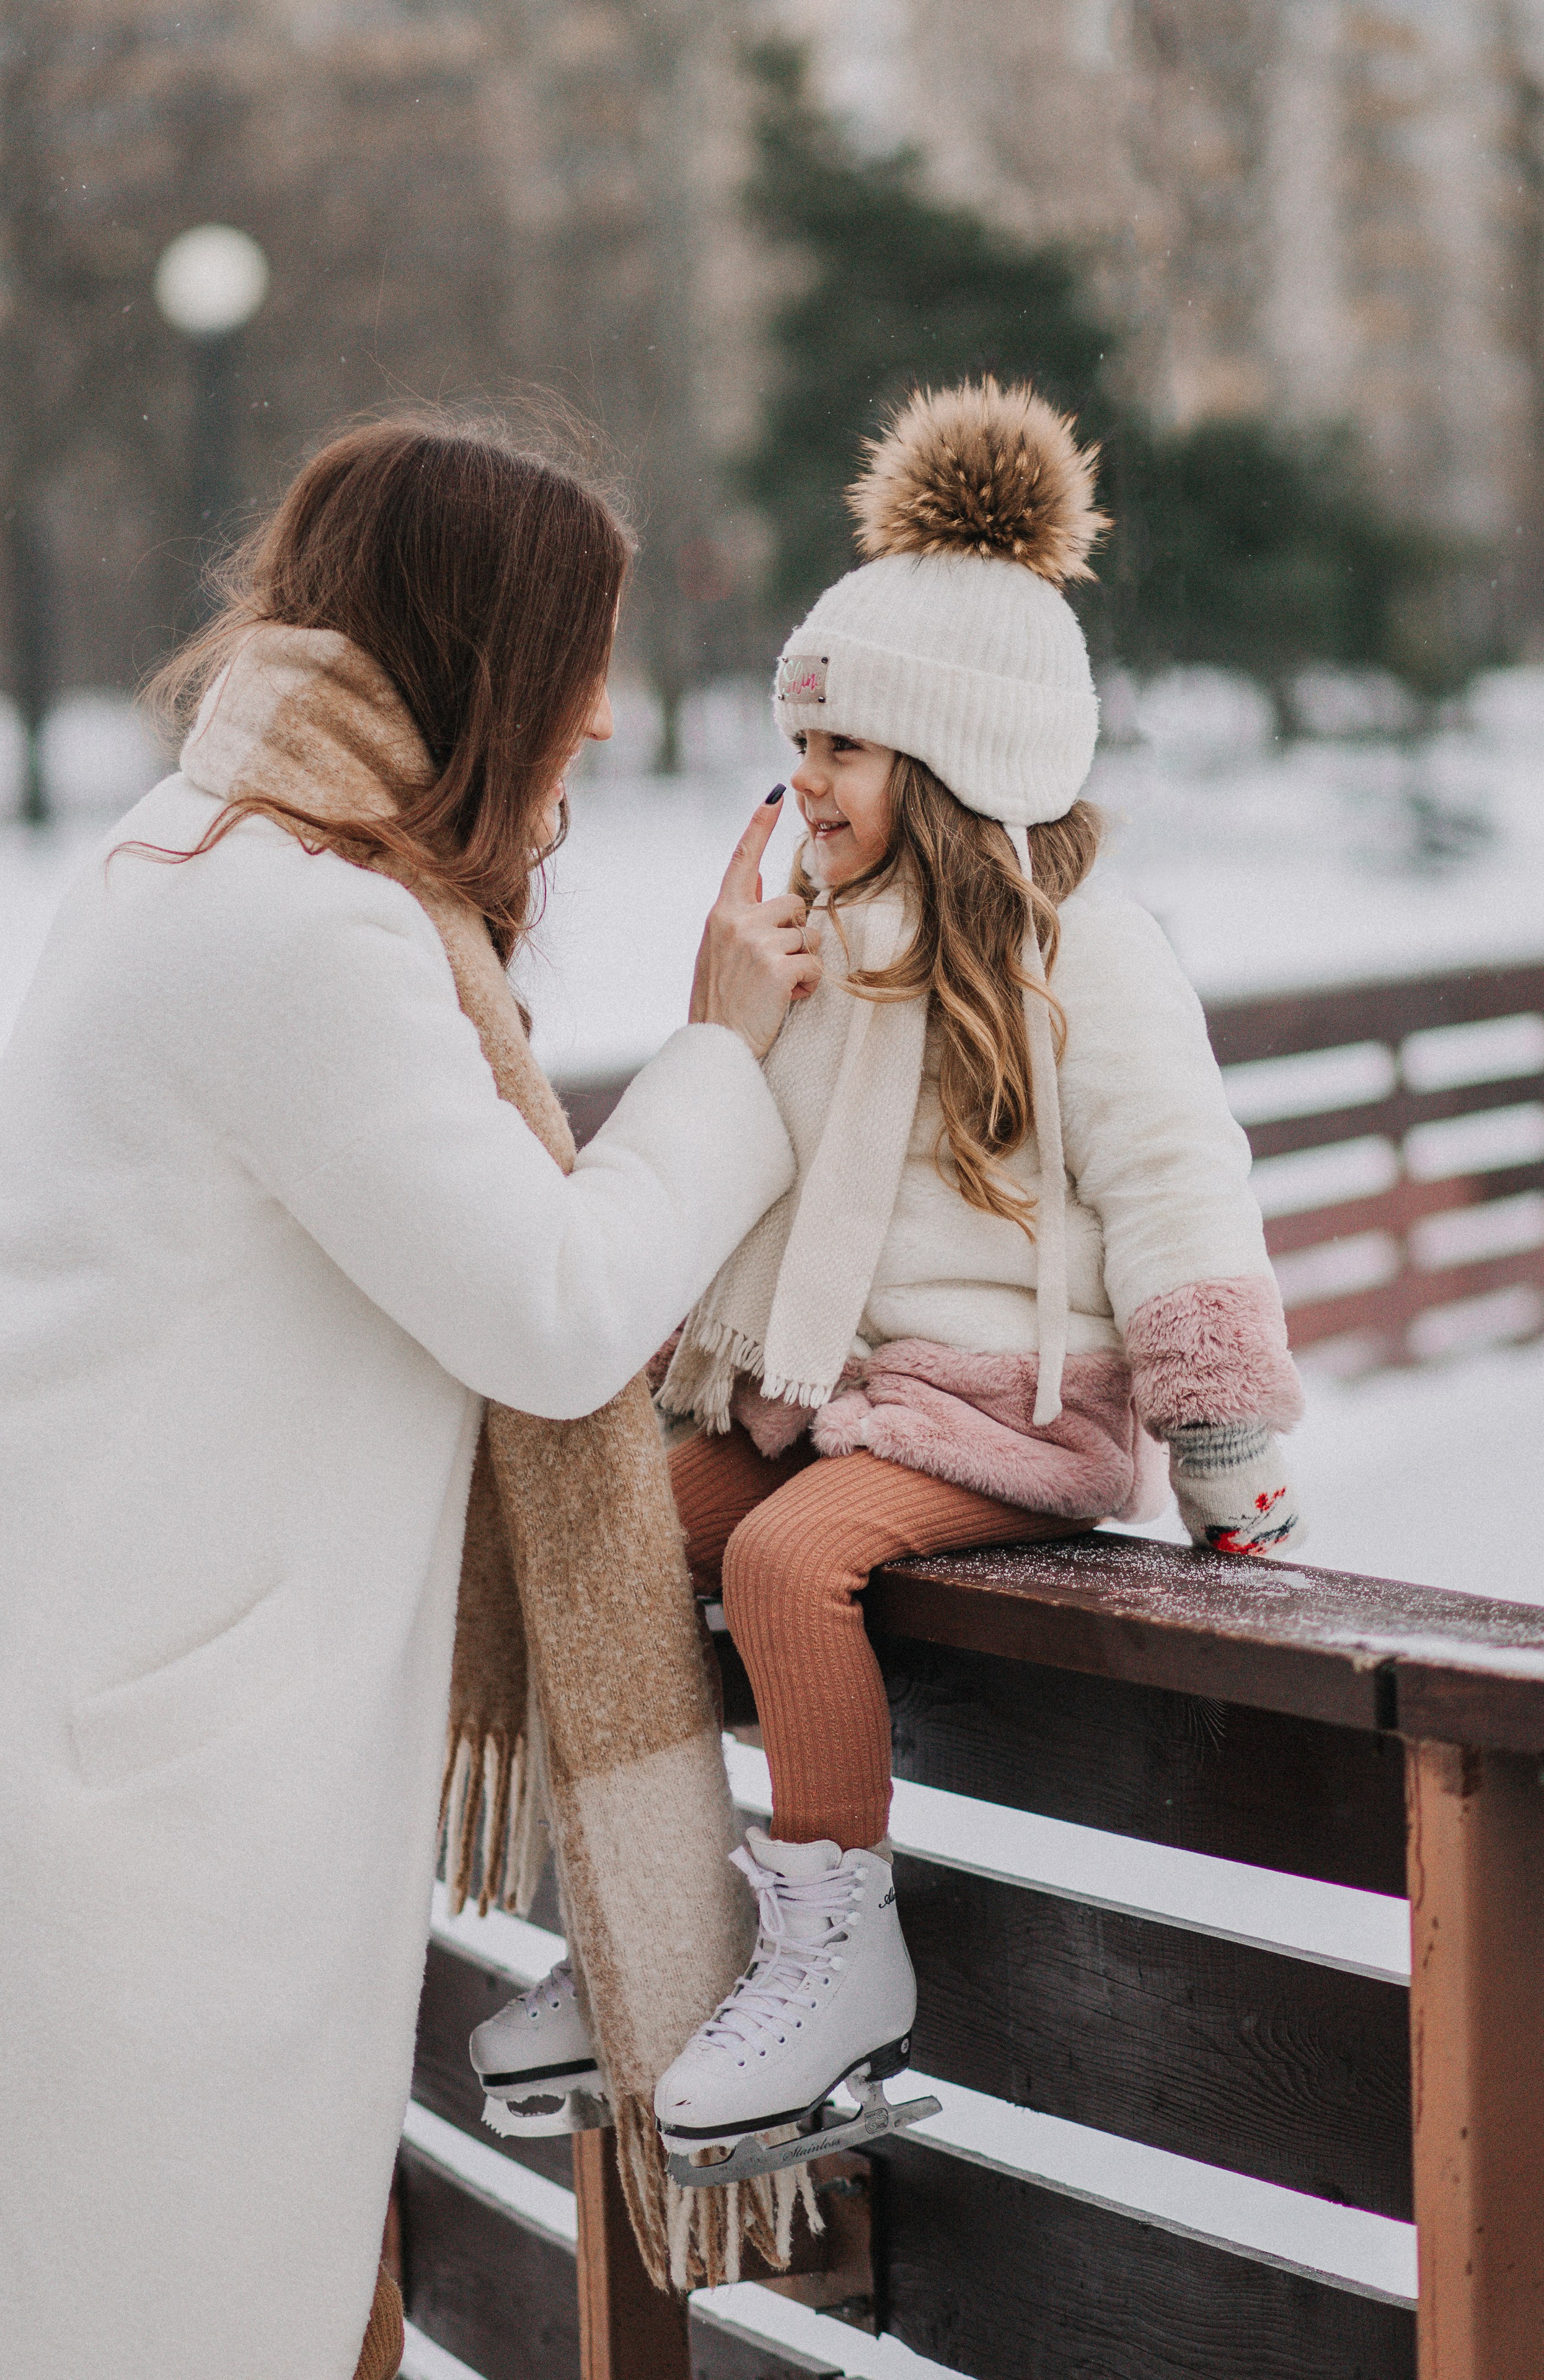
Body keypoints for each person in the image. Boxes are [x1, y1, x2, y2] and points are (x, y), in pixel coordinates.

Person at [0, 416, 822, 2380]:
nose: (602, 719)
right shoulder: (302, 933)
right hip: (141, 1833)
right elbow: (556, 1307)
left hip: (85, 1747)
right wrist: (721, 1050)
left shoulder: (196, 858)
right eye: (579, 660)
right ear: (486, 665)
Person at [474, 379, 1307, 2190]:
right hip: (830, 1397)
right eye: (797, 744)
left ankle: (838, 1954)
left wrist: (1228, 1446)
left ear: (953, 760)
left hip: (1016, 1415)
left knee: (787, 1562)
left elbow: (1181, 1187)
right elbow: (737, 1184)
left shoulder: (1083, 956)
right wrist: (728, 1016)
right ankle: (653, 1930)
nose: (805, 782)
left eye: (842, 747)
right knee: (615, 1539)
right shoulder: (823, 949)